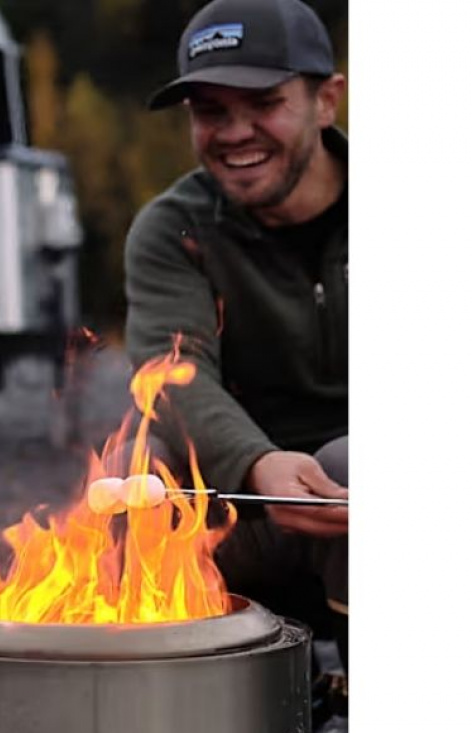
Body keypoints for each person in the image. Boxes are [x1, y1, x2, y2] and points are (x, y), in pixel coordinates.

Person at [124, 0, 349, 670]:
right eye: (211, 111)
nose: (236, 132)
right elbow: (173, 374)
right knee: (130, 478)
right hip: (241, 508)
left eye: (264, 102)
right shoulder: (173, 230)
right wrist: (257, 465)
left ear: (326, 100)